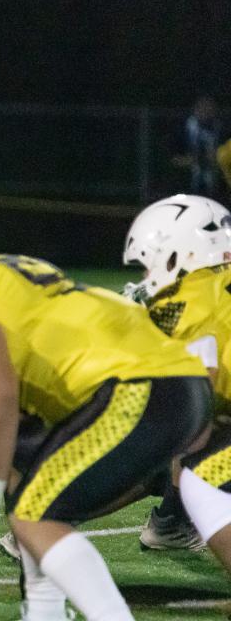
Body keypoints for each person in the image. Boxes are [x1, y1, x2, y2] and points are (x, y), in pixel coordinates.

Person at [0, 190, 211, 621]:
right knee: (31, 484)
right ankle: (45, 610)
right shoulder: (7, 274)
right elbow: (24, 418)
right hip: (177, 385)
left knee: (35, 513)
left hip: (135, 387)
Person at [121, 193, 231, 571]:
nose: (146, 275)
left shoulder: (189, 302)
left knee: (195, 470)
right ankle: (172, 521)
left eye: (148, 264)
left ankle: (52, 512)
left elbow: (192, 419)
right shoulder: (217, 284)